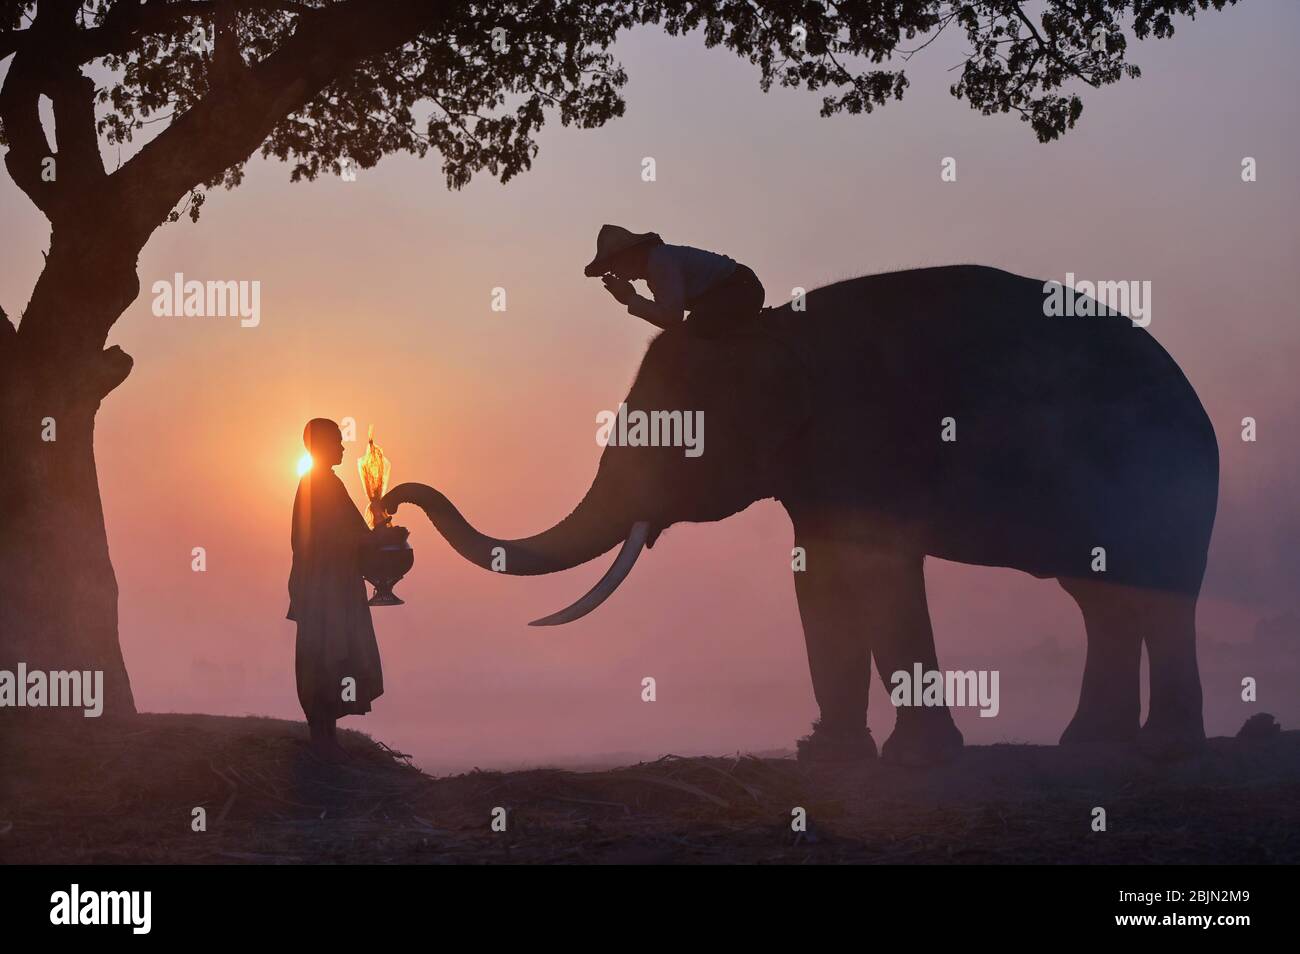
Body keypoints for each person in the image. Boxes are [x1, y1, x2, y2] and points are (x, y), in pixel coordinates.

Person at [287, 418, 389, 761]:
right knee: (324, 655)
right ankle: (321, 736)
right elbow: (324, 538)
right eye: (336, 441)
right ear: (317, 446)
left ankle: (327, 734)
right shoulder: (316, 485)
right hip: (323, 586)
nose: (343, 447)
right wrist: (370, 538)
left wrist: (376, 527)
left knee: (337, 654)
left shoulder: (328, 483)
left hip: (335, 584)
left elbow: (348, 532)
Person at [585, 224, 765, 338]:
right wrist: (630, 299)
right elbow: (671, 320)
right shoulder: (655, 271)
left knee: (694, 333)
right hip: (732, 291)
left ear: (628, 256)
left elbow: (672, 318)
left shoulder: (660, 262)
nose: (617, 273)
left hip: (739, 290)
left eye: (615, 266)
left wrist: (631, 298)